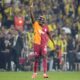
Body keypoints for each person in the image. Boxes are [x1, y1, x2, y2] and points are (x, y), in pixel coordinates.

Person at [30, 3, 55, 79]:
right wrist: (31, 9)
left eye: (42, 21)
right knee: (36, 58)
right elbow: (32, 17)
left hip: (43, 44)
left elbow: (49, 34)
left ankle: (44, 73)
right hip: (36, 44)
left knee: (44, 57)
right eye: (40, 21)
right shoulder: (36, 24)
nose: (41, 22)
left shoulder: (46, 27)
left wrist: (53, 42)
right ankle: (35, 73)